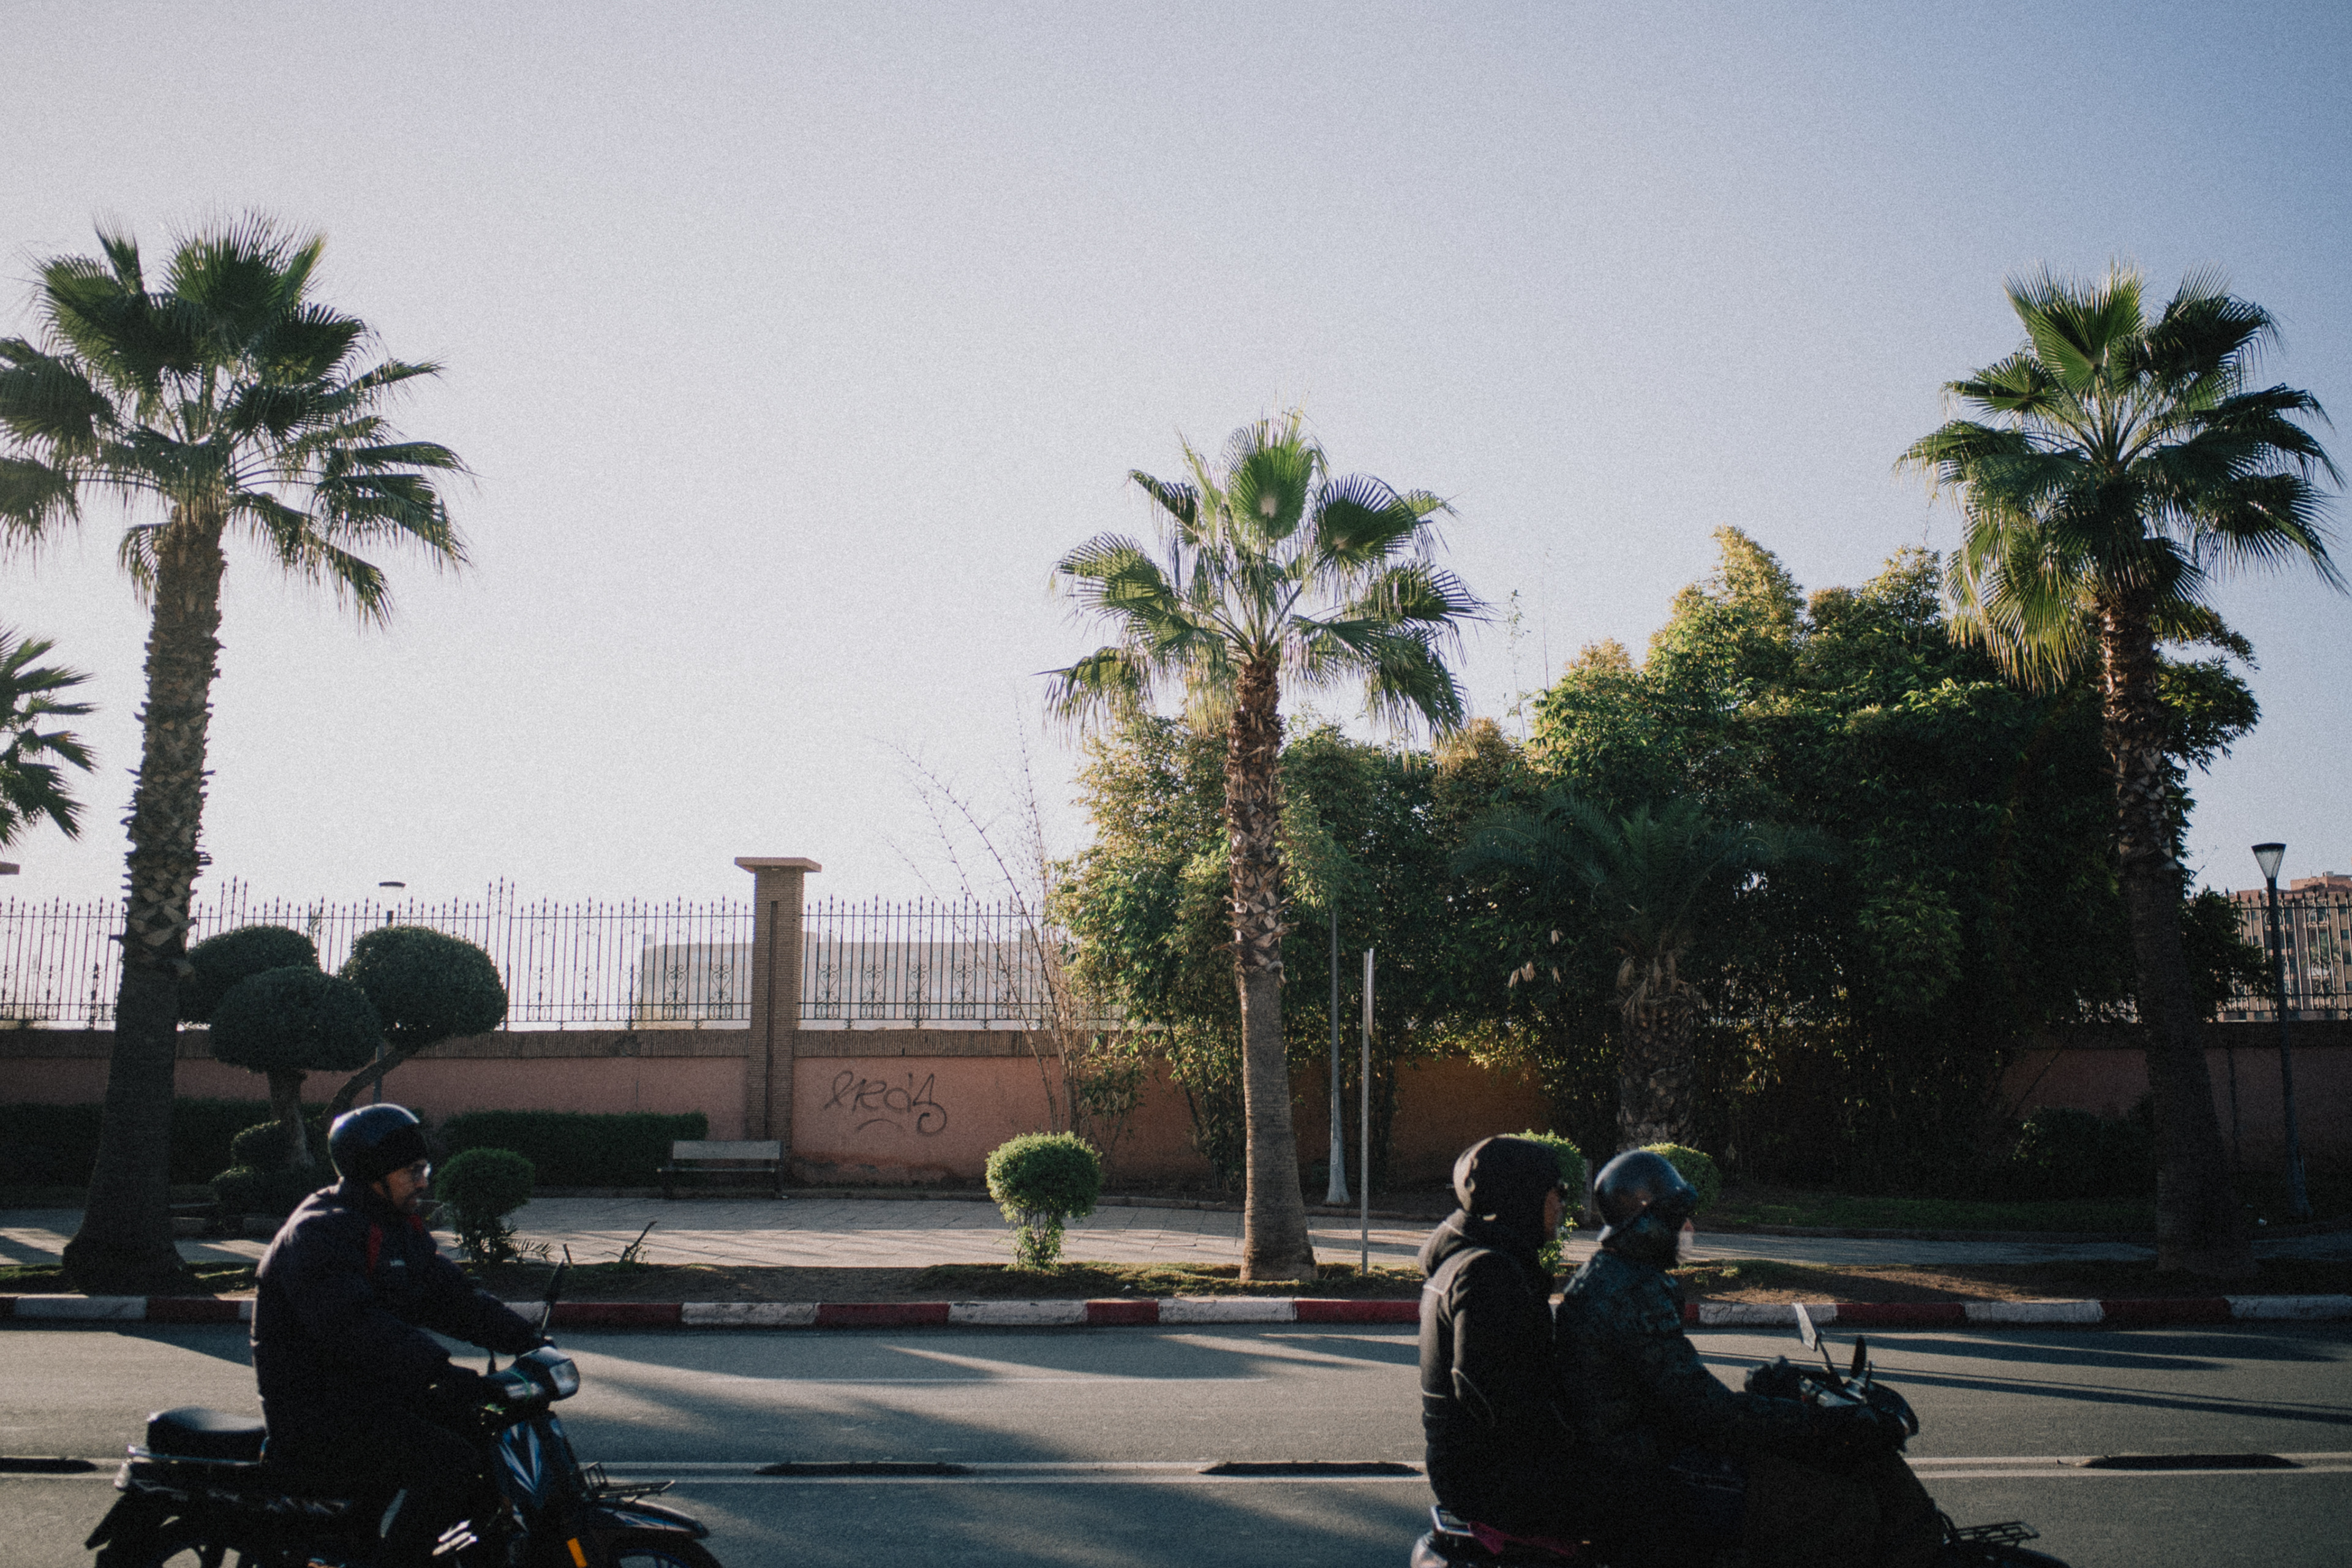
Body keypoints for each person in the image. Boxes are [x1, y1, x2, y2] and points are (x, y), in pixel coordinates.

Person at [1556, 1148, 1940, 1568]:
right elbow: (1707, 1412)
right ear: (1648, 1222)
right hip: (1648, 1477)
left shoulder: (1608, 1276)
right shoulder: (1633, 1293)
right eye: (1678, 1218)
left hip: (1639, 1462)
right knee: (1845, 1506)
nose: (1689, 1229)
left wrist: (1771, 1401)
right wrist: (1819, 1423)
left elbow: (1682, 1396)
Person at [251, 1104, 544, 1567]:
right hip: (318, 1409)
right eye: (412, 1171)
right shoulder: (321, 1231)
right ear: (374, 1174)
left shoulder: (393, 1226)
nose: (424, 1182)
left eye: (424, 1169)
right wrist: (442, 1374)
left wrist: (529, 1341)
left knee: (484, 1434)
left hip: (371, 1396)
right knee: (450, 1464)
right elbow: (355, 1327)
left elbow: (450, 1297)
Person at [1419, 1135, 1585, 1549]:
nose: (1562, 1205)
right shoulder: (1489, 1272)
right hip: (1495, 1478)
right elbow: (1492, 1393)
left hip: (1474, 1468)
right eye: (1557, 1192)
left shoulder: (1468, 1259)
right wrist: (1575, 1436)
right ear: (1522, 1196)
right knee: (1661, 1497)